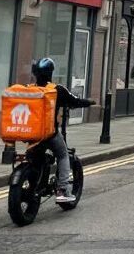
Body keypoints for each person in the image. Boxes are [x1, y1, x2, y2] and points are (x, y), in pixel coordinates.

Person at [31, 57, 93, 203]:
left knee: (34, 156)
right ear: (50, 73)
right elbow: (74, 101)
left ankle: (35, 180)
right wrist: (88, 102)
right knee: (63, 154)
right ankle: (63, 190)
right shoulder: (56, 89)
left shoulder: (29, 88)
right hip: (48, 134)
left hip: (30, 133)